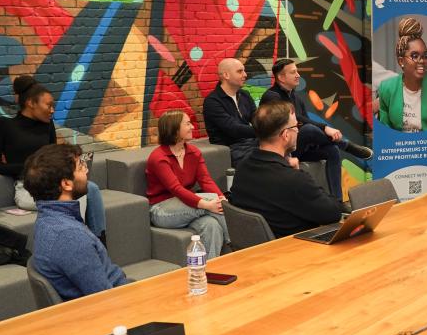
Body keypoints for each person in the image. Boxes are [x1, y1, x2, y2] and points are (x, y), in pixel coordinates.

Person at [0, 75, 106, 240]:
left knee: (90, 188)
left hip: (55, 183)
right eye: (49, 105)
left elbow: (55, 160)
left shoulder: (47, 125)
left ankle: (97, 241)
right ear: (31, 103)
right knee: (77, 195)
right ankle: (86, 243)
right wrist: (33, 168)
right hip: (28, 189)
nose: (52, 110)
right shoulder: (4, 125)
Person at [24, 144, 126, 300]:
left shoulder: (47, 220)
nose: (86, 170)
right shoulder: (70, 237)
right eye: (80, 167)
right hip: (116, 303)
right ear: (66, 184)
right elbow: (105, 298)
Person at [229, 101, 345, 238]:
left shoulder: (242, 168)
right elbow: (333, 213)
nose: (298, 131)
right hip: (298, 246)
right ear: (285, 135)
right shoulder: (294, 179)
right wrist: (298, 173)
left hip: (258, 247)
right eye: (296, 126)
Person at [260, 58, 372, 200]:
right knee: (309, 130)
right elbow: (297, 119)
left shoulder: (296, 97)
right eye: (293, 72)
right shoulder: (272, 97)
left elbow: (304, 120)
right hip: (283, 150)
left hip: (298, 147)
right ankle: (346, 145)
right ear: (281, 77)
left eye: (297, 71)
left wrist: (319, 139)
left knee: (332, 150)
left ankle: (337, 201)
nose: (298, 75)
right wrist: (325, 127)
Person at [145, 110, 230, 258]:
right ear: (174, 129)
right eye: (187, 124)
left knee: (212, 225)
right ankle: (238, 245)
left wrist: (221, 198)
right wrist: (208, 204)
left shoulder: (194, 152)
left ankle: (211, 267)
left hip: (187, 205)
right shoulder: (158, 157)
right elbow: (176, 189)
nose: (192, 127)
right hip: (161, 210)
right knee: (212, 203)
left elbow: (206, 180)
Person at [377, 17, 427, 132]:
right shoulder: (386, 88)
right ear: (401, 61)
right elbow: (385, 130)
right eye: (414, 56)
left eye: (425, 56)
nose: (422, 61)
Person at [202, 58, 257, 165]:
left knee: (279, 146)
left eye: (244, 71)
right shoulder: (212, 101)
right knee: (265, 158)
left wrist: (271, 127)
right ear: (226, 75)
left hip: (250, 142)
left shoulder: (244, 94)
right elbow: (233, 129)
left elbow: (257, 118)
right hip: (230, 148)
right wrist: (263, 131)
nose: (245, 75)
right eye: (240, 71)